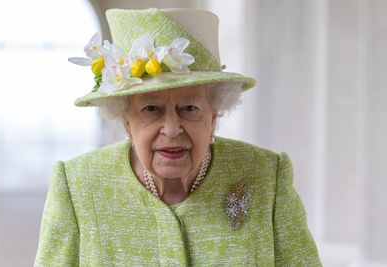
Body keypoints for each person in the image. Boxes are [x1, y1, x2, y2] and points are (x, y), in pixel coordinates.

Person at [34, 8, 322, 266]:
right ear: (126, 120)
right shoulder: (78, 183)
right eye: (151, 109)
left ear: (214, 116)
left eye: (189, 108)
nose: (172, 129)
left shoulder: (266, 174)